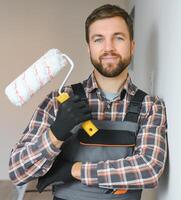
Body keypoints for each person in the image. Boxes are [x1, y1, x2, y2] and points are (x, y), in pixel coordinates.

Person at [8, 4, 167, 200]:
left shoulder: (150, 106)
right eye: (98, 39)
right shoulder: (58, 101)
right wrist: (55, 134)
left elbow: (149, 169)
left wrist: (75, 170)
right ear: (89, 47)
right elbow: (17, 171)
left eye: (118, 38)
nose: (109, 47)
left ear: (132, 46)